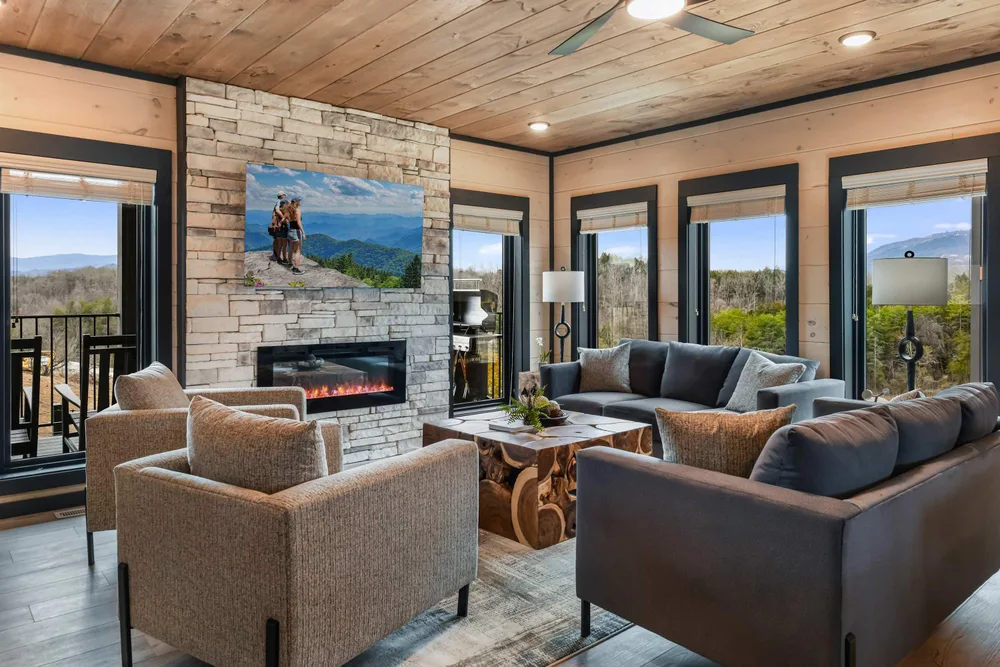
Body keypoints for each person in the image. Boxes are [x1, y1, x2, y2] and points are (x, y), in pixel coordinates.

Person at [287, 197, 306, 275]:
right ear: (297, 202)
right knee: (298, 251)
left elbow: (287, 220)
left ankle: (290, 263)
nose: (300, 203)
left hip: (290, 231)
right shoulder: (297, 210)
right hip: (296, 231)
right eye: (299, 201)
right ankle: (296, 269)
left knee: (291, 248)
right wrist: (303, 232)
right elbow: (299, 222)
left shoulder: (289, 210)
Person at [269, 192, 288, 263]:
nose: (285, 196)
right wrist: (284, 218)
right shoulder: (279, 202)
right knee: (280, 240)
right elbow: (277, 210)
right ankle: (278, 255)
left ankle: (277, 255)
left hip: (277, 224)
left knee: (277, 239)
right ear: (282, 196)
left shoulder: (279, 202)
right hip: (280, 224)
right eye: (284, 195)